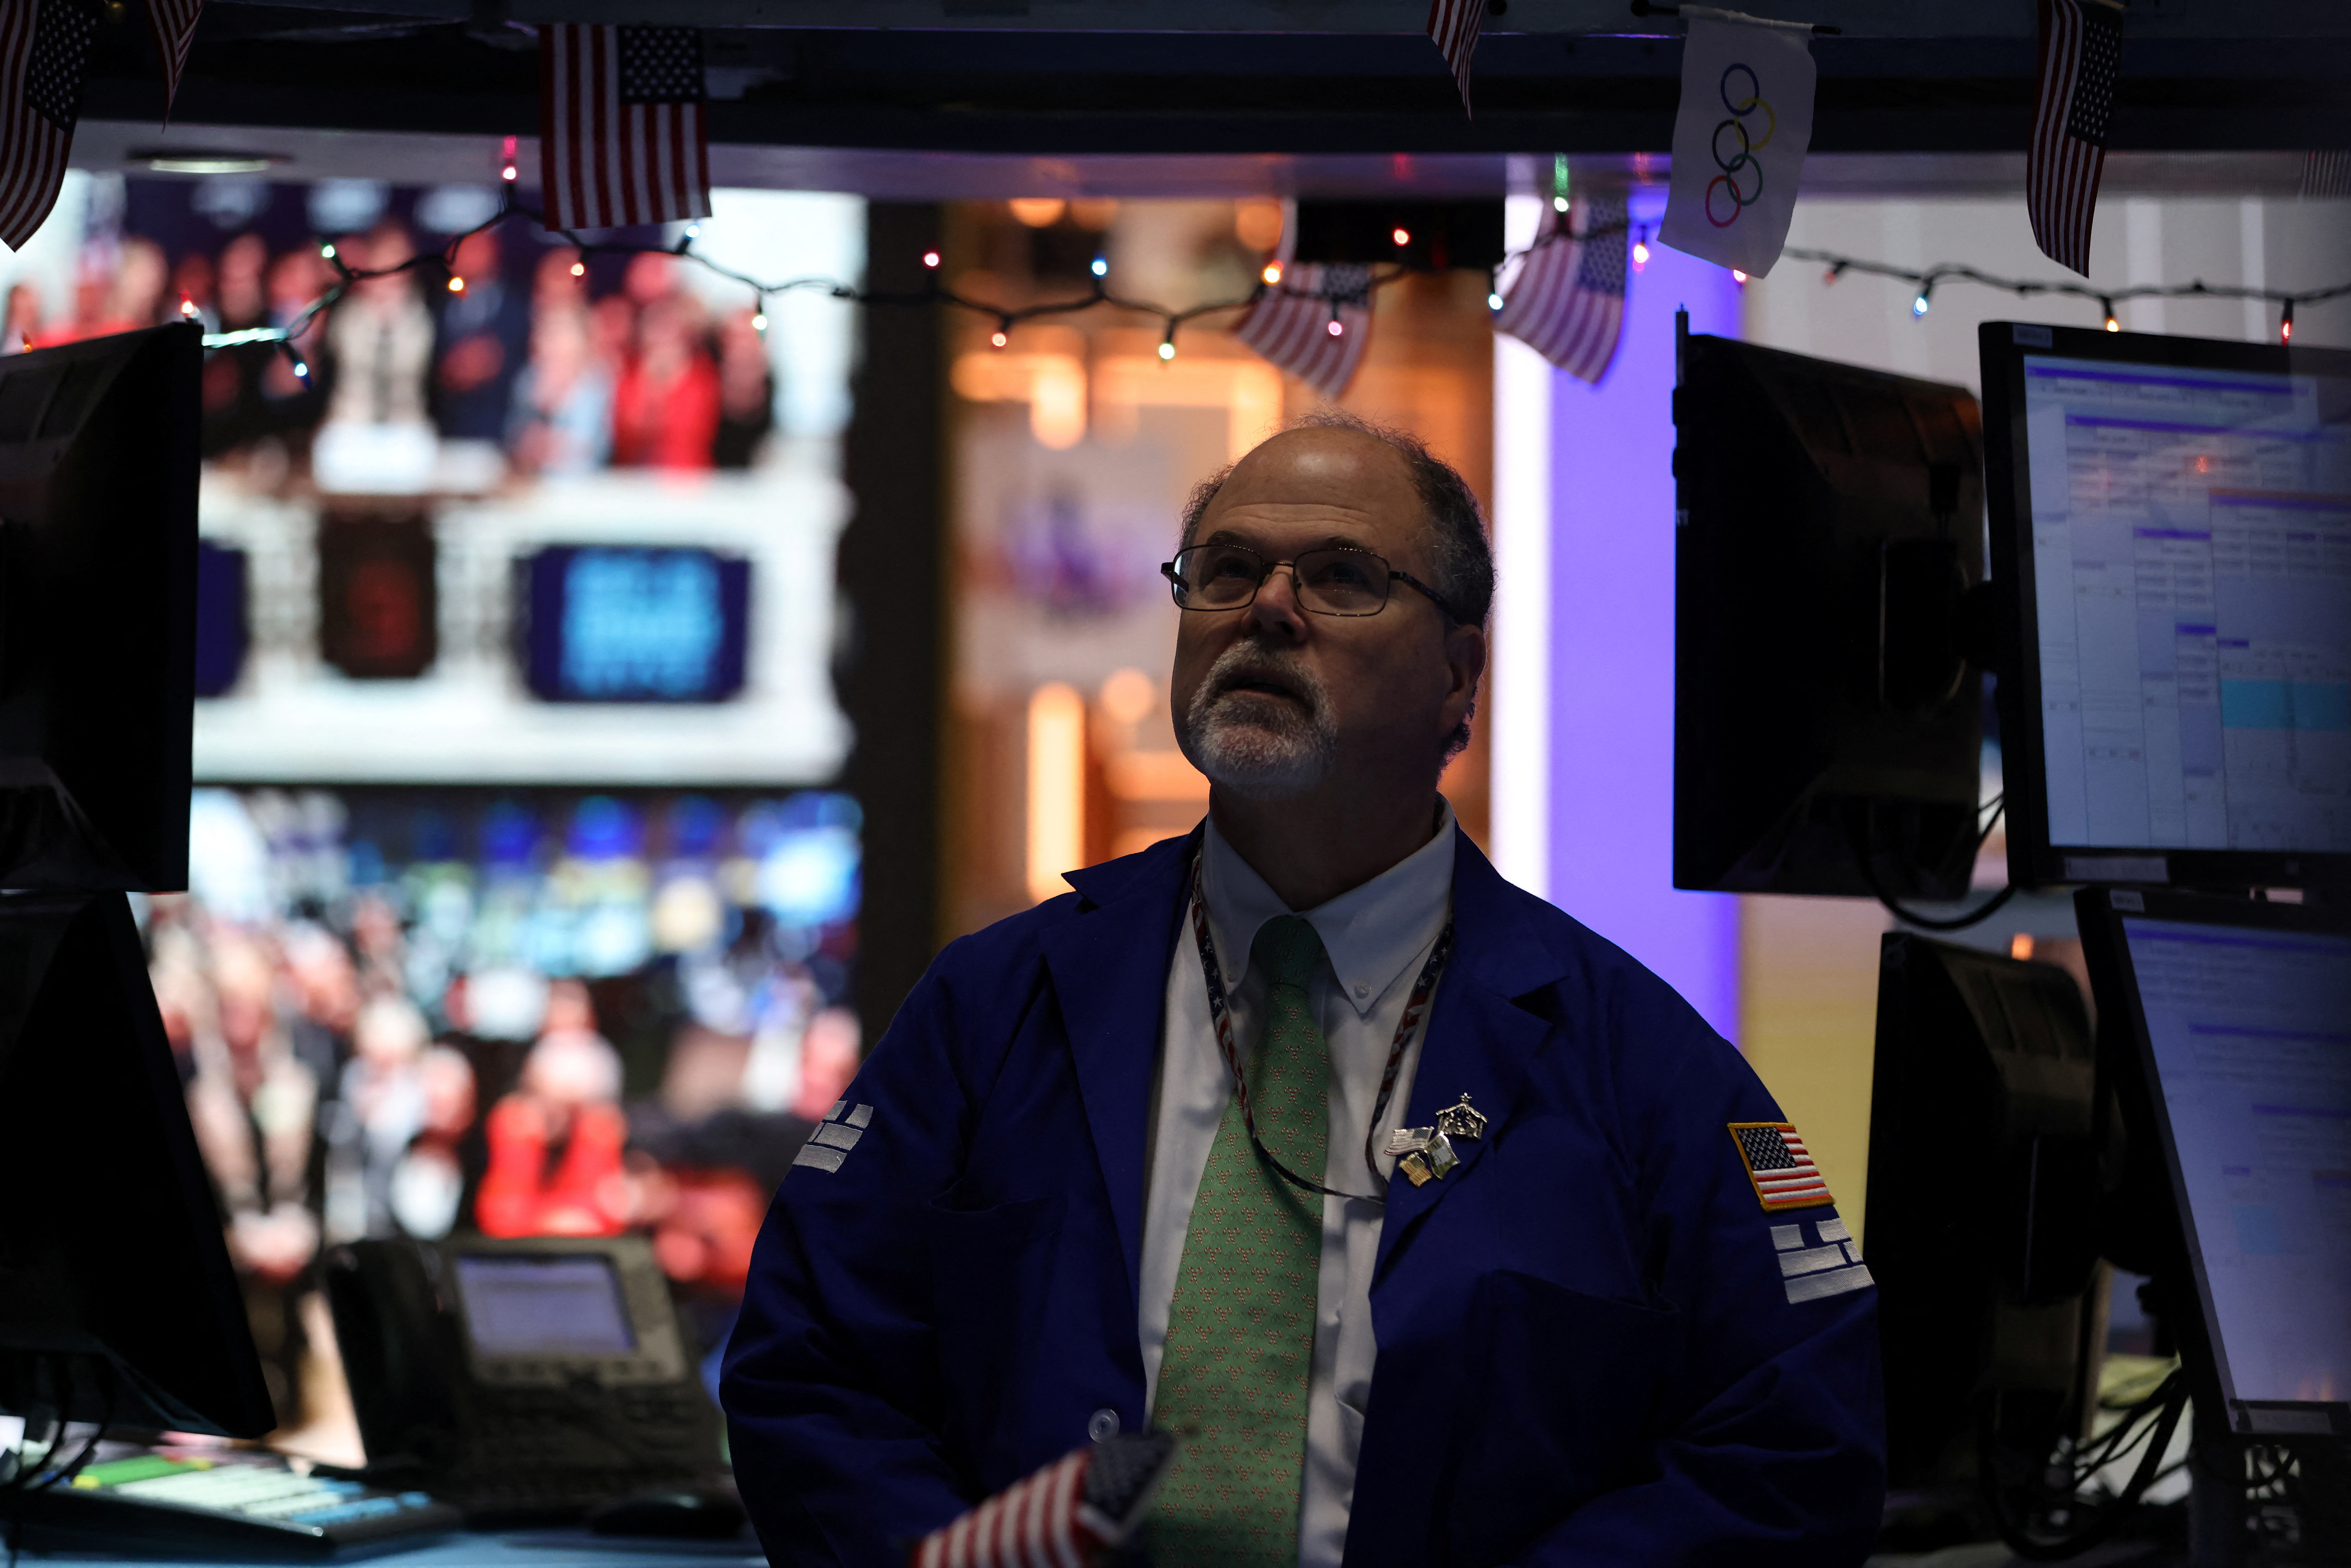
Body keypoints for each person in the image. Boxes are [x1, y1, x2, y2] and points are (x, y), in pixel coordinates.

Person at [721, 414, 1886, 1567]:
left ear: (1457, 675)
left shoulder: (1630, 1056)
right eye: (1225, 570)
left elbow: (1789, 1449)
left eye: (1341, 578)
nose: (1265, 608)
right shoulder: (995, 1005)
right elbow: (810, 1372)